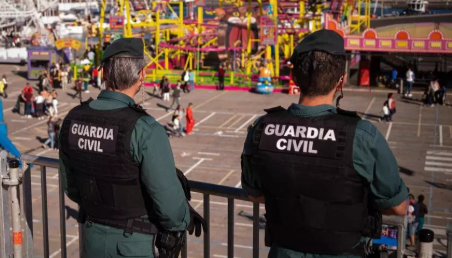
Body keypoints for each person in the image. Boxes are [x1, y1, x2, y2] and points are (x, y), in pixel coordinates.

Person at [241, 29, 407, 257]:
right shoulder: (362, 135)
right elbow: (398, 207)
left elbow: (254, 194)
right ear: (341, 80)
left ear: (294, 78)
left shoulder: (262, 128)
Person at [59, 38, 206, 258]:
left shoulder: (73, 119)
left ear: (105, 74)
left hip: (92, 239)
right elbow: (169, 206)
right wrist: (183, 217)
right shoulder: (145, 129)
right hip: (133, 243)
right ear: (141, 76)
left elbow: (71, 187)